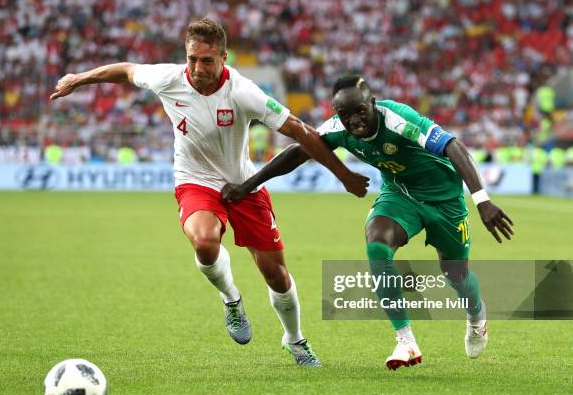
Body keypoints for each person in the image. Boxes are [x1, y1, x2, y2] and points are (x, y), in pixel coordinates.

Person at [50, 19, 369, 367]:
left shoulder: (243, 91)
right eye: (192, 59)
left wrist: (343, 174)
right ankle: (231, 299)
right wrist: (77, 79)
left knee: (276, 275)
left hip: (244, 184)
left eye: (207, 61)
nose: (197, 68)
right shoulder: (168, 79)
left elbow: (301, 131)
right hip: (195, 180)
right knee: (204, 241)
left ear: (223, 58)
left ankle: (295, 340)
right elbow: (126, 70)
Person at [223, 76, 515, 370]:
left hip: (446, 200)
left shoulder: (399, 119)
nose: (354, 120)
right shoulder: (338, 128)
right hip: (400, 195)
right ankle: (406, 341)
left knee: (456, 275)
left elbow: (453, 146)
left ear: (372, 103)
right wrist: (248, 186)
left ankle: (477, 318)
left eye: (360, 110)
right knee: (377, 245)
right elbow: (299, 152)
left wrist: (482, 200)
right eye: (345, 114)